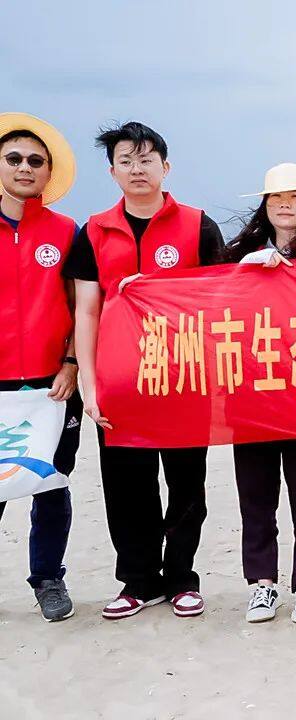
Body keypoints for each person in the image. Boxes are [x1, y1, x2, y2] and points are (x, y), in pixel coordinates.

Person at [63, 121, 224, 619]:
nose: (137, 169)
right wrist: (89, 385)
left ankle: (181, 578)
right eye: (126, 161)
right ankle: (138, 581)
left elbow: (219, 300)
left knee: (186, 484)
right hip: (120, 382)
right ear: (112, 171)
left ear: (165, 167)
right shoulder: (94, 231)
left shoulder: (198, 226)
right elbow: (86, 311)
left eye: (147, 159)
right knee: (127, 486)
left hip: (184, 380)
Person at [223, 163, 296, 624]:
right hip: (250, 397)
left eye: (295, 197)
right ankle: (262, 584)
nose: (285, 204)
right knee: (256, 497)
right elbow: (203, 303)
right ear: (265, 206)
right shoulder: (235, 257)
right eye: (276, 198)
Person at [0, 112, 82, 622]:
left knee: (50, 484)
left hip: (52, 386)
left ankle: (48, 579)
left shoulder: (65, 231)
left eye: (36, 160)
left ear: (49, 172)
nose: (25, 167)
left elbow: (81, 305)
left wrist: (71, 362)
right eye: (14, 158)